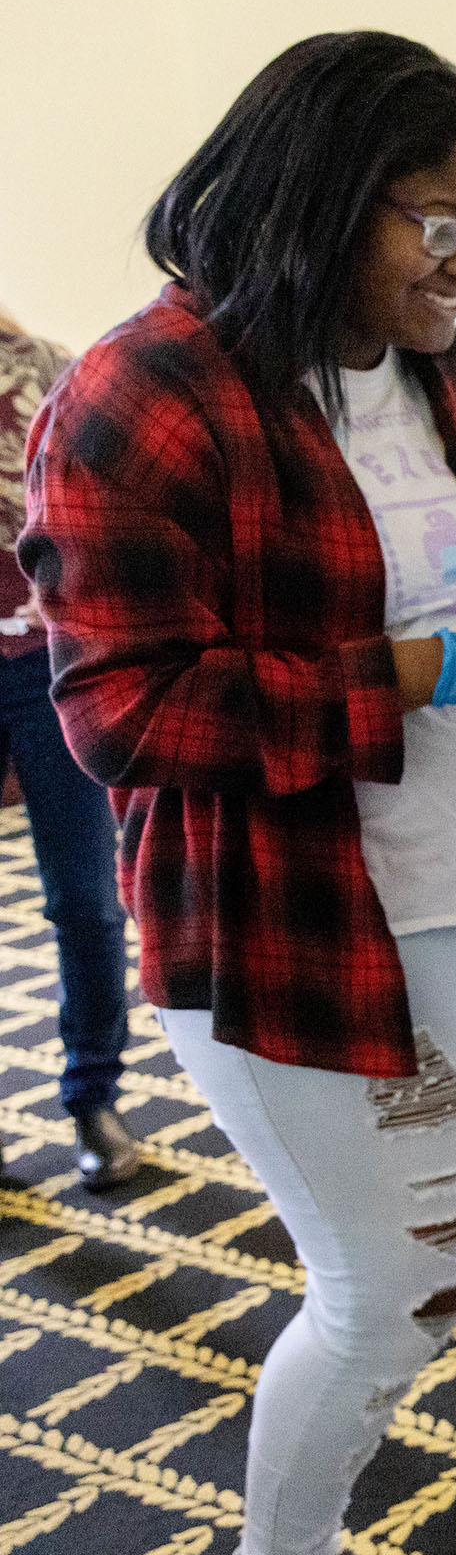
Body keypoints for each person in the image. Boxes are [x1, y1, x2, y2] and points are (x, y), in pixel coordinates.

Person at [23, 33, 456, 1555]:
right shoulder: (145, 395)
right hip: (325, 933)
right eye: (440, 227)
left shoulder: (450, 387)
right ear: (321, 192)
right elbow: (124, 709)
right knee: (393, 1305)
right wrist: (433, 671)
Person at [0, 306, 137, 1190]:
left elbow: (108, 508)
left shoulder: (50, 368)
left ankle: (93, 1096)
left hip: (47, 662)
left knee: (85, 898)